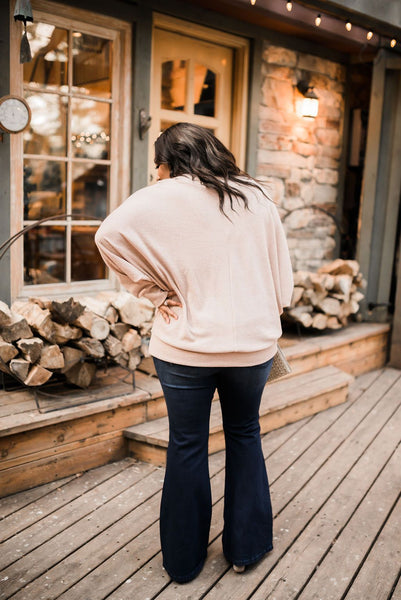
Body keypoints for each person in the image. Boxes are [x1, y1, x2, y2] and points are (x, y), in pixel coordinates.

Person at [95, 122, 294, 584]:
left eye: (158, 162)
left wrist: (154, 292)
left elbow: (107, 236)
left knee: (187, 446)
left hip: (183, 345)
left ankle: (183, 563)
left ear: (169, 160)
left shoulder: (155, 196)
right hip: (251, 346)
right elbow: (281, 276)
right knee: (245, 436)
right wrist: (266, 312)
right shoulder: (254, 195)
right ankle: (245, 549)